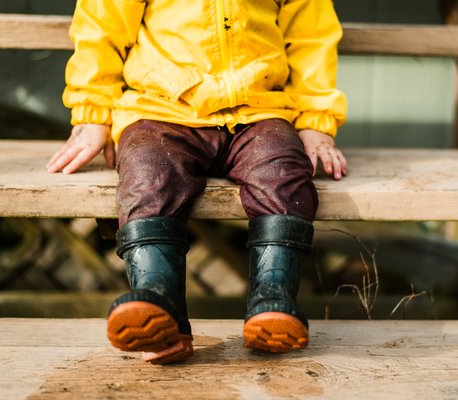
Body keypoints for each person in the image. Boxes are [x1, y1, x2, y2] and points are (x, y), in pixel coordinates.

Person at [47, 0, 347, 365]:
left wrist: (315, 123)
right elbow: (101, 26)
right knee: (149, 176)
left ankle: (272, 299)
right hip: (161, 109)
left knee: (284, 172)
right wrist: (92, 114)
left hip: (260, 111)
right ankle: (159, 303)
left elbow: (311, 38)